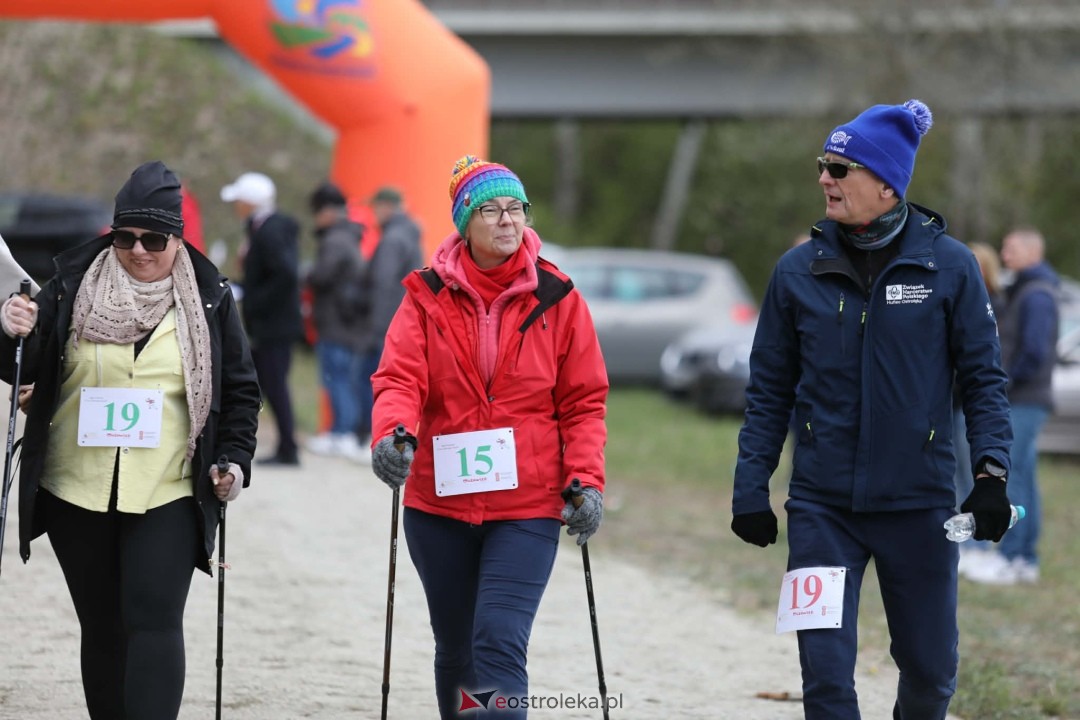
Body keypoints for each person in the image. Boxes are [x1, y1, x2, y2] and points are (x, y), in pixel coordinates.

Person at [730, 100, 1014, 720]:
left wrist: (991, 475)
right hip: (821, 507)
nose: (824, 179)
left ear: (887, 183)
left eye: (840, 168)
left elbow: (985, 382)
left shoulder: (951, 267)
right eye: (823, 166)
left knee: (931, 673)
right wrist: (750, 485)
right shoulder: (797, 270)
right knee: (826, 681)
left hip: (921, 504)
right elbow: (769, 390)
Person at [0, 161, 261, 719]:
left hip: (167, 486)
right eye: (125, 237)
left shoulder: (210, 296)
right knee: (100, 625)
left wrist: (234, 460)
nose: (138, 250)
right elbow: (19, 367)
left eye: (154, 238)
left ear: (178, 237)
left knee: (153, 618)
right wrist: (10, 327)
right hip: (76, 485)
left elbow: (240, 392)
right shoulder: (72, 284)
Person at [369, 155, 608, 718]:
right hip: (439, 503)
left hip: (527, 505)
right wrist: (393, 434)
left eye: (515, 209)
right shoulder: (426, 295)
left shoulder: (559, 296)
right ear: (465, 224)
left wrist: (586, 480)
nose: (507, 221)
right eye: (491, 210)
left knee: (498, 640)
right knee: (456, 649)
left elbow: (583, 402)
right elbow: (400, 377)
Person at [963, 228, 1058, 585]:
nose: (1004, 254)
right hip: (1025, 398)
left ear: (1033, 252)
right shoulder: (1026, 289)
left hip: (1024, 398)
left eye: (1011, 248)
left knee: (1011, 475)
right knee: (1025, 476)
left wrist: (1004, 384)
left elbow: (1034, 351)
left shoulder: (1035, 295)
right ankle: (1024, 559)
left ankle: (1010, 556)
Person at [221, 171, 303, 465]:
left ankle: (288, 447)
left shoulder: (270, 231)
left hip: (274, 325)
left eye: (239, 201)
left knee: (274, 384)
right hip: (271, 323)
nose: (235, 206)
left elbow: (284, 272)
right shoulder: (263, 228)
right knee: (266, 383)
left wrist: (255, 300)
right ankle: (283, 445)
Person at [304, 180, 369, 462]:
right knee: (342, 377)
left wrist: (305, 274)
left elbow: (320, 276)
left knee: (337, 378)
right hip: (347, 323)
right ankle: (342, 431)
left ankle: (342, 433)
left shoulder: (335, 240)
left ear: (328, 211)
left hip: (336, 322)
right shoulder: (349, 237)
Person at [357, 186, 423, 446]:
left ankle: (364, 436)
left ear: (387, 207)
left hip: (386, 325)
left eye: (376, 207)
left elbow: (383, 285)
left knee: (371, 379)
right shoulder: (409, 235)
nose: (373, 213)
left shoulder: (393, 239)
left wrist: (376, 327)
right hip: (399, 323)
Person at [954, 242, 1005, 575]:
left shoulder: (990, 303)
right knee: (956, 472)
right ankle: (964, 540)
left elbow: (988, 361)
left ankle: (977, 544)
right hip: (954, 400)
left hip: (970, 402)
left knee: (975, 472)